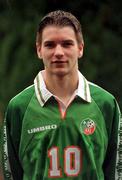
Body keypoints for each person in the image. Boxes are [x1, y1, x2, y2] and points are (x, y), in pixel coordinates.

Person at [1, 10, 122, 180]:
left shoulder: (106, 104)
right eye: (50, 45)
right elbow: (12, 174)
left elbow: (116, 173)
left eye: (67, 44)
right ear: (39, 50)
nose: (58, 52)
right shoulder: (19, 107)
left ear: (80, 48)